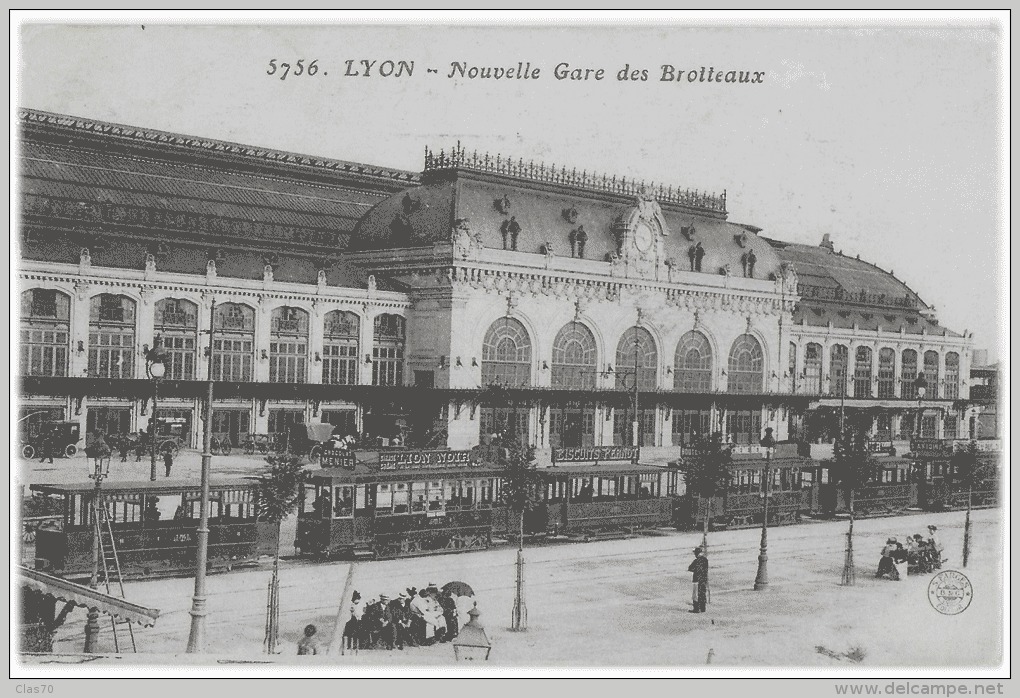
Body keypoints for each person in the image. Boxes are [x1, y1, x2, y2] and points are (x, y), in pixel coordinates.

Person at [688, 547, 709, 613]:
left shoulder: (696, 561)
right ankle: (703, 608)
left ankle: (696, 609)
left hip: (696, 579)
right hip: (703, 579)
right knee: (702, 593)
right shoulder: (705, 560)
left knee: (695, 595)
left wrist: (695, 571)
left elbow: (690, 568)